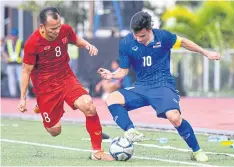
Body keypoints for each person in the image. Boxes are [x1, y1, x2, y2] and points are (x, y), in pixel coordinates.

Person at [97, 11, 221, 162]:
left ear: (150, 29)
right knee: (111, 98)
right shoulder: (126, 43)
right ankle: (131, 130)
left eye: (142, 36)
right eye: (136, 35)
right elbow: (123, 70)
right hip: (141, 87)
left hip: (163, 85)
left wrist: (205, 52)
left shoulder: (164, 37)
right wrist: (112, 75)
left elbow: (184, 42)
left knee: (174, 118)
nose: (138, 39)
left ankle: (196, 150)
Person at [18, 7, 113, 161]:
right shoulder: (32, 43)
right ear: (42, 27)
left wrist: (88, 45)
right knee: (55, 131)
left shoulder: (65, 30)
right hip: (46, 87)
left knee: (89, 106)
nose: (57, 31)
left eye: (59, 26)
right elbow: (25, 71)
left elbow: (75, 40)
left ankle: (97, 151)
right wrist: (22, 97)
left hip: (65, 77)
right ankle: (42, 106)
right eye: (53, 28)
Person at [2, 28, 24, 97]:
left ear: (17, 36)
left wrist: (24, 59)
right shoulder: (7, 43)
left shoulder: (21, 42)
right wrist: (6, 58)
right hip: (10, 64)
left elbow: (24, 52)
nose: (13, 37)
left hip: (19, 64)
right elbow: (3, 51)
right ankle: (13, 94)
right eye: (12, 36)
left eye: (14, 36)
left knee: (21, 80)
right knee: (11, 80)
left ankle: (24, 94)